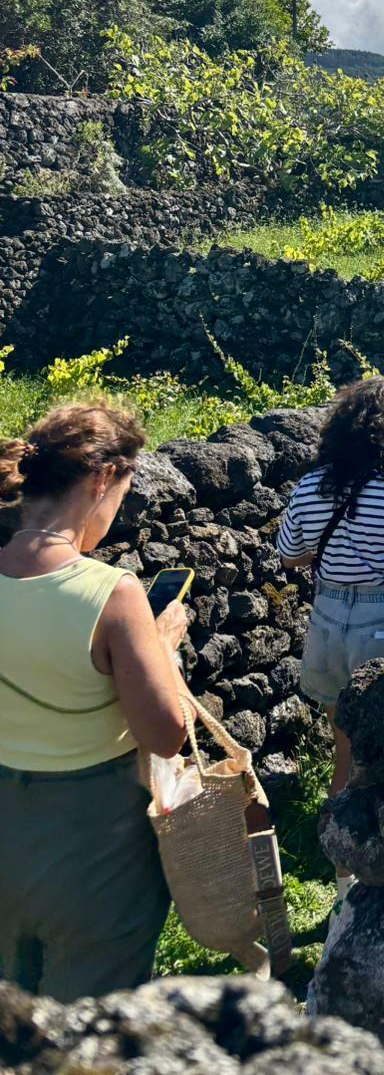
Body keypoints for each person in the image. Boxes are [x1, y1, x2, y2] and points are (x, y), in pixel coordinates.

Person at [0, 402, 188, 1000]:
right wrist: (163, 649)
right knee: (90, 1029)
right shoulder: (112, 594)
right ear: (102, 479)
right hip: (94, 843)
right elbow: (165, 734)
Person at [278, 376, 384, 903]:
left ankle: (343, 872)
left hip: (330, 622)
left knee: (345, 748)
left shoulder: (311, 488)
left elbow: (289, 554)